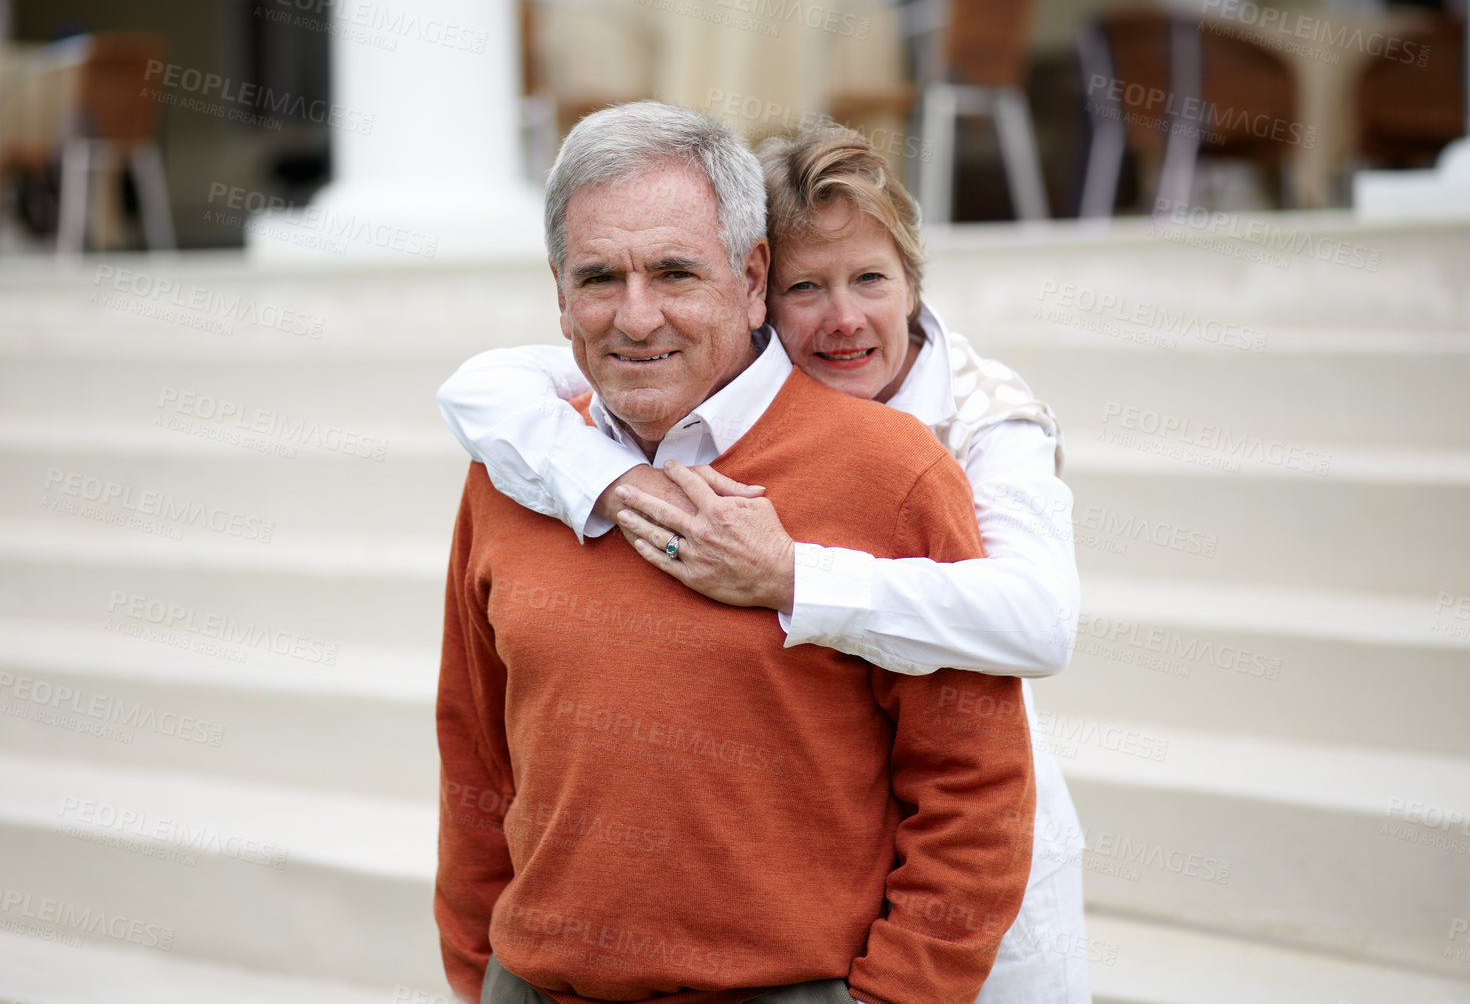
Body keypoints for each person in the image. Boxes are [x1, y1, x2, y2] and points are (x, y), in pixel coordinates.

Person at [438, 123, 1088, 1003]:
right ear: (560, 294)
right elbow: (475, 755)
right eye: (599, 277)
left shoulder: (929, 455)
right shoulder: (520, 461)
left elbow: (980, 774)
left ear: (745, 282)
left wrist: (791, 577)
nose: (637, 315)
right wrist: (479, 975)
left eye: (675, 272)